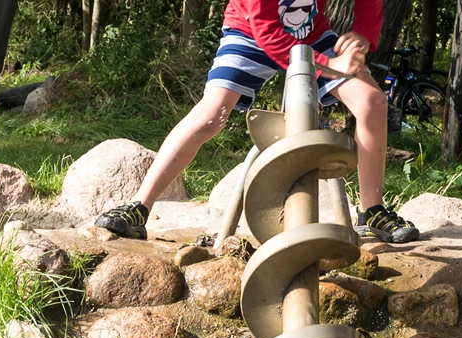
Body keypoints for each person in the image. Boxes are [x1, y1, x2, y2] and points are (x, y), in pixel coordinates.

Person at [94, 0, 420, 245]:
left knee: (373, 103)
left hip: (313, 33)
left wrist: (362, 34)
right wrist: (329, 63)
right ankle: (139, 207)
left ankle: (372, 211)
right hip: (250, 32)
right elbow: (269, 33)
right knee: (211, 115)